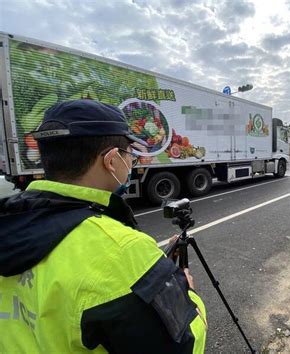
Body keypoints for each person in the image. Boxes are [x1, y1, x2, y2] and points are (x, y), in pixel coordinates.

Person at [0, 100, 207, 353]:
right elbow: (186, 345)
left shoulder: (9, 221)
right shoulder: (122, 251)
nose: (131, 162)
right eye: (129, 154)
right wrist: (189, 295)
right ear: (111, 161)